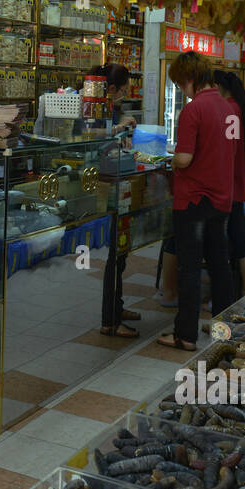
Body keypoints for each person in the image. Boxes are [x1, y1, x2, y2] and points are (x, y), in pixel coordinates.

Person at [158, 52, 235, 350]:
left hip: (194, 200)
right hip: (222, 198)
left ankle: (185, 335)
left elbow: (185, 158)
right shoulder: (229, 109)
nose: (180, 89)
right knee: (219, 264)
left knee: (189, 267)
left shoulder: (193, 110)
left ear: (188, 79)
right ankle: (223, 330)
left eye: (180, 83)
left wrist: (173, 162)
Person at [98, 64, 140, 337]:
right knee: (115, 252)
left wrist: (122, 137)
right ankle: (110, 320)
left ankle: (118, 304)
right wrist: (117, 129)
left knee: (121, 250)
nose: (124, 95)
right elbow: (89, 137)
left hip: (115, 179)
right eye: (123, 90)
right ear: (112, 88)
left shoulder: (109, 105)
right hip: (102, 185)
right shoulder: (90, 104)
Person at [215, 70, 245, 295]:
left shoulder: (230, 109)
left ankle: (244, 292)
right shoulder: (241, 108)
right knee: (238, 234)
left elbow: (228, 149)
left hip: (229, 182)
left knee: (235, 238)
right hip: (238, 179)